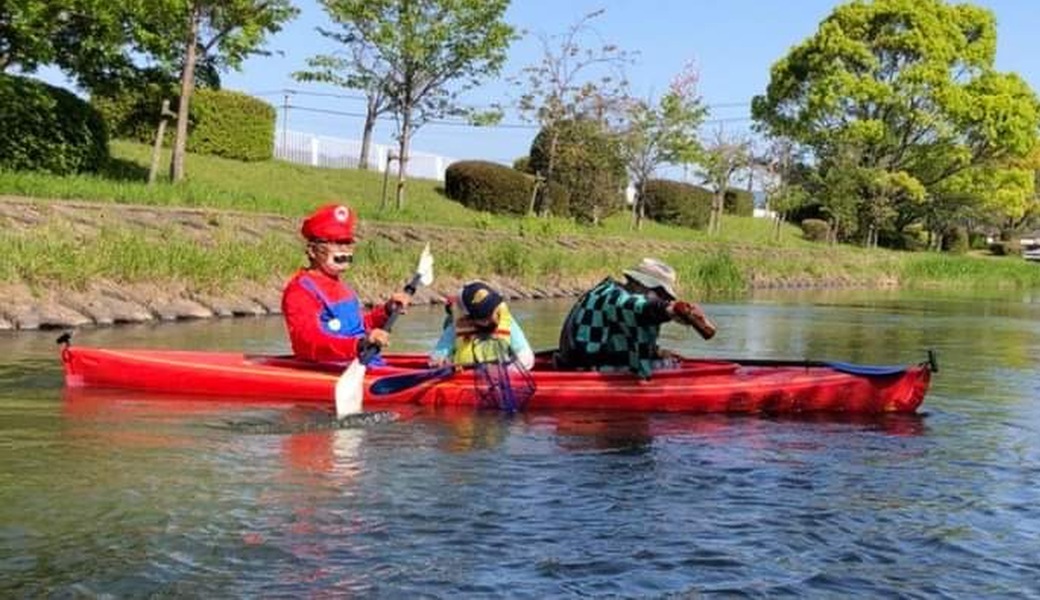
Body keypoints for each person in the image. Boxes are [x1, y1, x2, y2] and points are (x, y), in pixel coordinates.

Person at [281, 203, 411, 363]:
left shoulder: (342, 287)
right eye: (335, 243)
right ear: (312, 251)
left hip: (362, 364)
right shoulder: (300, 291)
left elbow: (358, 326)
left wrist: (387, 311)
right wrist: (359, 345)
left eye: (347, 242)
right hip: (333, 370)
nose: (344, 250)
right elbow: (306, 343)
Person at [556, 258, 716, 379]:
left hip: (585, 363)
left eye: (665, 296)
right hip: (587, 371)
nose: (662, 298)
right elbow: (637, 307)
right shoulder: (615, 298)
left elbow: (621, 333)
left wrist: (657, 352)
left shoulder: (610, 292)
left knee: (669, 361)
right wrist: (671, 310)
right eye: (660, 294)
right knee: (671, 369)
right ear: (642, 284)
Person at [429, 281, 535, 371]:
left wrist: (508, 372)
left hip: (503, 376)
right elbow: (436, 357)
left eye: (493, 307)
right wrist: (440, 361)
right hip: (464, 379)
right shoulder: (456, 327)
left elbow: (526, 356)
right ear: (469, 318)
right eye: (485, 314)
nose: (494, 316)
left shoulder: (506, 321)